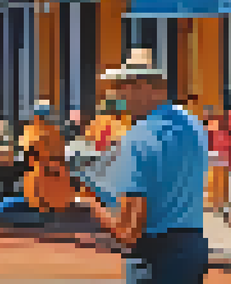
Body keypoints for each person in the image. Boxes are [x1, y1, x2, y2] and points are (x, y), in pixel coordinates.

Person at [71, 48, 209, 283]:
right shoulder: (193, 125)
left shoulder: (138, 137)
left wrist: (88, 203)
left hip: (157, 255)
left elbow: (128, 232)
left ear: (144, 86)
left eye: (124, 86)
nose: (118, 94)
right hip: (192, 247)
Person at [21, 100, 75, 213]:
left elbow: (60, 151)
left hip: (50, 167)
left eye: (44, 117)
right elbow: (30, 153)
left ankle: (51, 203)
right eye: (41, 116)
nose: (43, 119)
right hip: (42, 167)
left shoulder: (53, 130)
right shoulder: (31, 130)